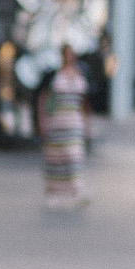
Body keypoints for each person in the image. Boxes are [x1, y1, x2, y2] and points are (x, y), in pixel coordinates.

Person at [38, 43, 90, 209]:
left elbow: (84, 101)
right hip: (57, 121)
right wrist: (42, 121)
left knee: (74, 156)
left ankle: (77, 191)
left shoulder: (80, 73)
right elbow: (43, 98)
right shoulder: (54, 75)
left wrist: (87, 123)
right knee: (56, 158)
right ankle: (53, 192)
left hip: (74, 121)